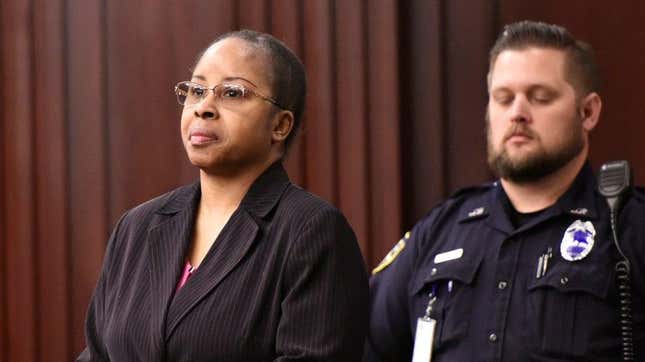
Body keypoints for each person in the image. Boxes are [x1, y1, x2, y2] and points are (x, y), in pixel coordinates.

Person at [77, 29, 368, 361]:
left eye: (232, 92)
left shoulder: (311, 231)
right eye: (197, 90)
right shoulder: (137, 226)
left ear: (280, 125)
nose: (204, 107)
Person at [365, 21, 645, 361]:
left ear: (587, 112)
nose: (517, 113)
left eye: (540, 97)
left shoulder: (628, 228)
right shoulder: (441, 231)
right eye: (503, 98)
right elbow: (365, 344)